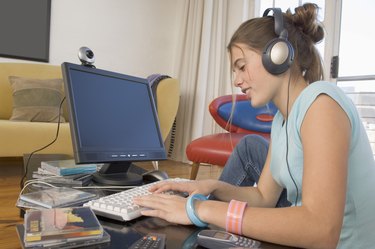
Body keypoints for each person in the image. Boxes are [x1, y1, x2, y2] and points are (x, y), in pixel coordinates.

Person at [133, 3, 375, 248]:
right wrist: (212, 187)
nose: (237, 80)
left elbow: (321, 230)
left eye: (241, 66)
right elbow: (263, 197)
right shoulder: (282, 121)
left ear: (277, 56)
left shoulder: (322, 104)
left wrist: (201, 208)